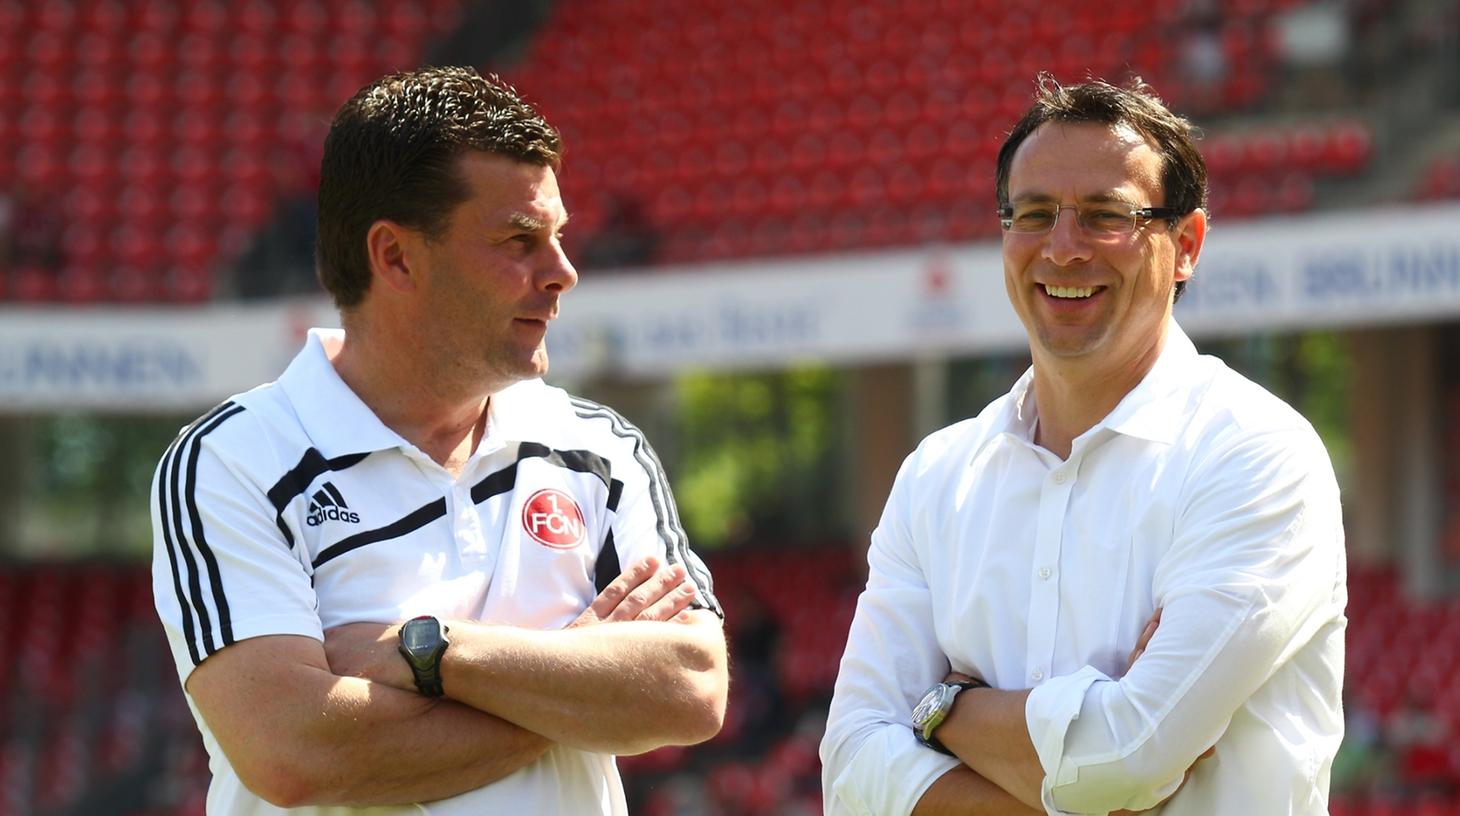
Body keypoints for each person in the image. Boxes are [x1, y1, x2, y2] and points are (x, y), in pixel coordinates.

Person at [149, 66, 729, 815]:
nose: (563, 273)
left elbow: (690, 690)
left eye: (557, 236)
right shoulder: (232, 462)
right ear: (394, 257)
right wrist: (577, 672)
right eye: (519, 239)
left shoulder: (598, 448)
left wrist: (431, 652)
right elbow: (297, 755)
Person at [820, 75, 1346, 815]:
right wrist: (1082, 749)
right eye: (1032, 215)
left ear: (1186, 243)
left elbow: (1127, 759)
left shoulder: (1255, 455)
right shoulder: (936, 475)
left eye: (1105, 216)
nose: (1062, 250)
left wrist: (939, 712)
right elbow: (846, 770)